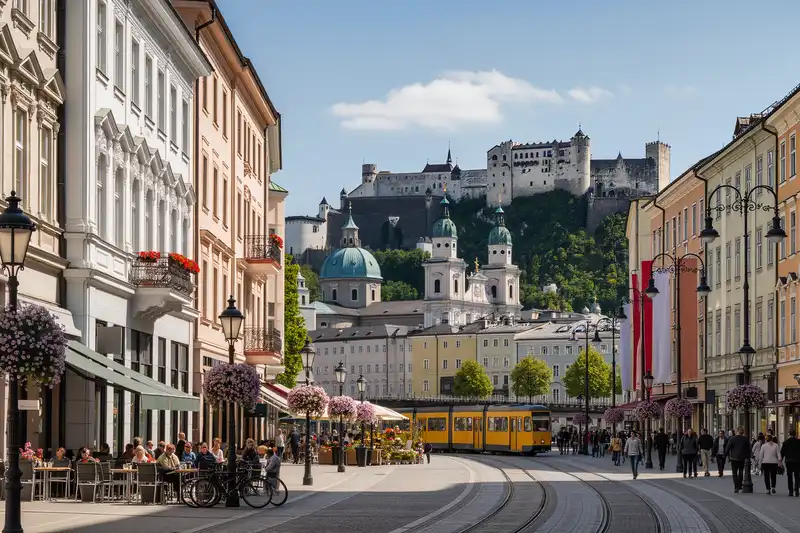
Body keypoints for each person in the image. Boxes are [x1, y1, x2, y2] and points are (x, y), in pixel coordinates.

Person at [725, 426, 751, 493]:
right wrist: (748, 456)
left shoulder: (732, 439)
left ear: (737, 431)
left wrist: (727, 456)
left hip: (734, 458)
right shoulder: (745, 439)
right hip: (742, 458)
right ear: (742, 432)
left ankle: (736, 487)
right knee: (741, 471)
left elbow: (727, 448)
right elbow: (748, 449)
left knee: (734, 473)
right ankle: (739, 485)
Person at [782, 430, 800, 497]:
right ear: (795, 434)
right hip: (797, 461)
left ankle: (791, 491)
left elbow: (782, 452)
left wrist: (780, 461)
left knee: (789, 476)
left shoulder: (786, 442)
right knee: (797, 476)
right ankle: (797, 490)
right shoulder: (799, 442)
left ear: (789, 434)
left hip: (789, 461)